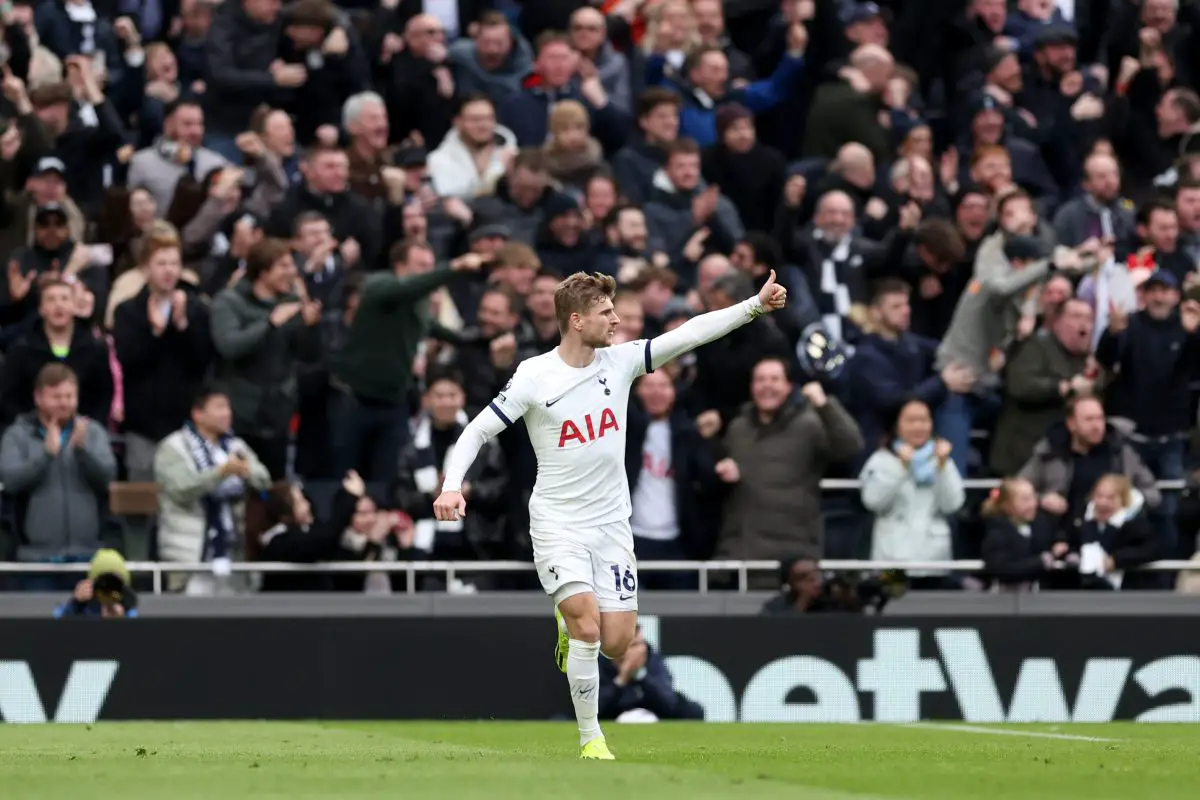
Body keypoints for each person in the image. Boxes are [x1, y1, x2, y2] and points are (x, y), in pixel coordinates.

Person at [433, 269, 787, 759]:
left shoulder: (620, 363)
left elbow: (688, 334)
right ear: (576, 321)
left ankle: (571, 625)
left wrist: (754, 306)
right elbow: (475, 431)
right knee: (586, 626)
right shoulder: (535, 375)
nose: (617, 320)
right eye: (606, 313)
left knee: (618, 643)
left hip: (612, 526)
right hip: (557, 523)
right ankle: (590, 738)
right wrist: (452, 487)